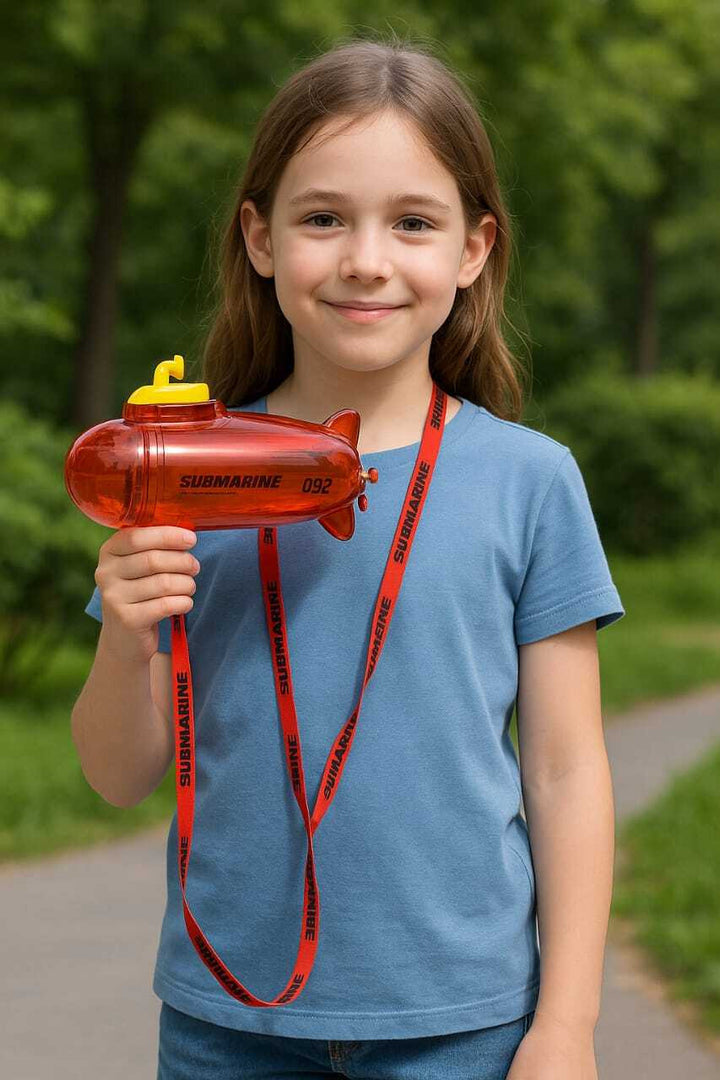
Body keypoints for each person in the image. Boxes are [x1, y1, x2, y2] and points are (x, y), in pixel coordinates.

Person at [73, 35, 625, 1080]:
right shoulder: (185, 470)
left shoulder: (529, 480)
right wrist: (123, 636)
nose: (367, 258)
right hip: (223, 1024)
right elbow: (115, 774)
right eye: (323, 217)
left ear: (472, 250)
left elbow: (564, 771)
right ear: (261, 237)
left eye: (412, 223)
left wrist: (569, 1024)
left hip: (465, 1027)